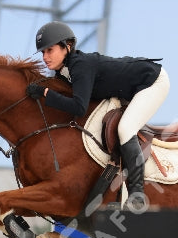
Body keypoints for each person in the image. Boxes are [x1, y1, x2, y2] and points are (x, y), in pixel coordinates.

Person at [26, 20, 170, 211]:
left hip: (152, 82)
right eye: (42, 52)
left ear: (67, 47)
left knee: (126, 128)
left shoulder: (80, 65)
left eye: (49, 50)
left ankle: (137, 195)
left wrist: (45, 94)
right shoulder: (63, 72)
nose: (45, 57)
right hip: (127, 89)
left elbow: (78, 107)